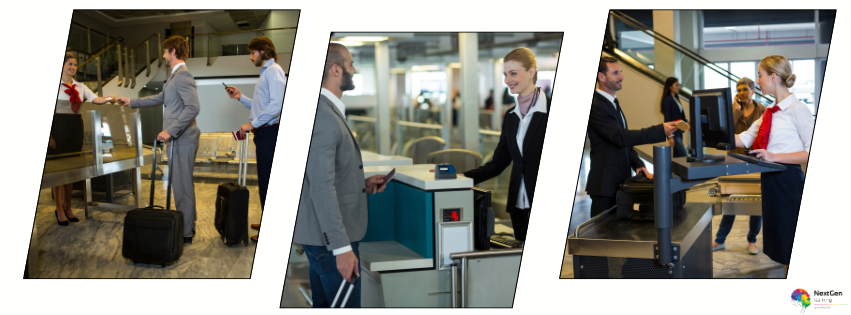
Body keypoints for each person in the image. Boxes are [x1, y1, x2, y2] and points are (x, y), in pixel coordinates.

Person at [293, 43, 387, 308]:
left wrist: (362, 184)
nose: (354, 70)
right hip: (331, 241)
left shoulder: (325, 110)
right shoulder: (323, 116)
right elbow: (321, 187)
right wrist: (342, 248)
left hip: (320, 239)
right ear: (336, 70)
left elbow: (321, 175)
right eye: (350, 64)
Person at [734, 55, 813, 276]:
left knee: (790, 238)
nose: (758, 81)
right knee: (779, 238)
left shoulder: (798, 109)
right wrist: (707, 131)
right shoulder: (769, 112)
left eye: (760, 75)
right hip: (770, 180)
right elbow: (743, 139)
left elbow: (810, 152)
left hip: (788, 182)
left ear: (774, 76)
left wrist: (774, 156)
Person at [117, 36, 201, 244]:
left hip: (182, 138)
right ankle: (189, 224)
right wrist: (131, 101)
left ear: (173, 52)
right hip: (180, 139)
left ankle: (186, 233)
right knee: (182, 184)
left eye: (165, 51)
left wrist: (170, 131)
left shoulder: (182, 76)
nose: (162, 56)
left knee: (182, 185)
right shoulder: (174, 76)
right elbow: (160, 98)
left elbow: (193, 107)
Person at [461, 47, 548, 243]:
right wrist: (463, 177)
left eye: (513, 73)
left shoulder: (551, 111)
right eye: (506, 74)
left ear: (531, 72)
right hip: (518, 205)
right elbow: (499, 162)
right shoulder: (510, 116)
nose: (508, 80)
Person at [587, 56, 678, 217]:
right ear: (601, 77)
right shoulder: (595, 106)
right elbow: (620, 137)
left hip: (618, 181)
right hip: (604, 185)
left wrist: (637, 162)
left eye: (620, 72)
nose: (621, 76)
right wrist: (660, 130)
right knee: (602, 238)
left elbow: (624, 142)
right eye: (615, 73)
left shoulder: (612, 102)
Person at [225, 36, 286, 242]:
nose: (251, 57)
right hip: (264, 133)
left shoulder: (274, 72)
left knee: (269, 182)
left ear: (263, 51)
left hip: (270, 133)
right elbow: (262, 107)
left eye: (252, 53)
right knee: (265, 181)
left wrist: (251, 125)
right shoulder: (266, 73)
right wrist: (240, 97)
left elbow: (277, 107)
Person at [50, 52, 117, 225]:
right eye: (69, 64)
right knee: (57, 173)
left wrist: (109, 98)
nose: (72, 67)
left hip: (75, 129)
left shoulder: (80, 86)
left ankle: (68, 206)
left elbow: (95, 99)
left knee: (71, 171)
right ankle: (58, 209)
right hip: (57, 129)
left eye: (75, 64)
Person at [713, 77, 766, 255]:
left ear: (753, 90)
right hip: (735, 159)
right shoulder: (732, 110)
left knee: (756, 203)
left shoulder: (763, 111)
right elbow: (725, 132)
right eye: (739, 89)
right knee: (732, 200)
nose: (742, 92)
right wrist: (735, 111)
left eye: (745, 89)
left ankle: (752, 240)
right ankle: (720, 239)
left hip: (756, 160)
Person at [660, 77, 688, 157]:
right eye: (676, 85)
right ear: (670, 87)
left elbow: (678, 117)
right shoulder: (667, 100)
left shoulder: (675, 98)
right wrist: (670, 137)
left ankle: (675, 170)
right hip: (674, 133)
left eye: (678, 85)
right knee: (684, 156)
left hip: (679, 131)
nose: (678, 87)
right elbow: (667, 119)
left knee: (677, 158)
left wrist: (687, 125)